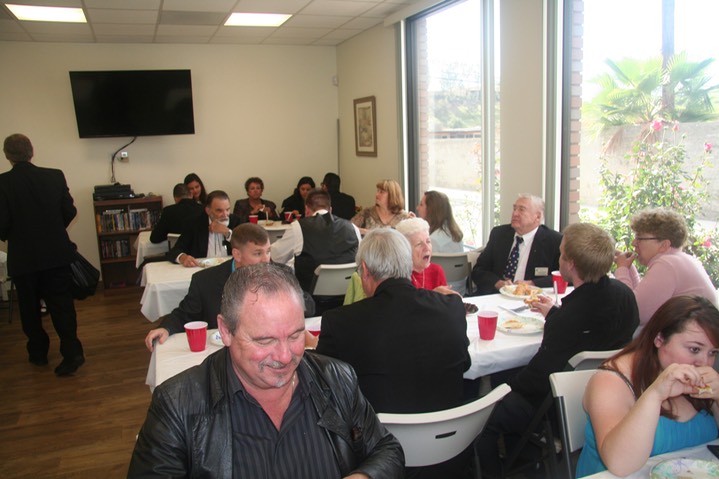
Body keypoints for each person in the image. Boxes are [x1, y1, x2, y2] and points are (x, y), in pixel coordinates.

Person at [129, 263, 404, 478]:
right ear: (225, 331)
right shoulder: (177, 404)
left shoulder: (336, 378)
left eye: (296, 335)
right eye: (265, 340)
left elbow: (387, 450)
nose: (286, 356)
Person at [477, 222, 640, 477]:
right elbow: (591, 338)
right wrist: (554, 313)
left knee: (482, 414)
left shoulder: (570, 317)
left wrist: (504, 386)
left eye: (562, 254)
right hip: (611, 395)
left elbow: (537, 378)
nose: (559, 258)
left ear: (571, 264)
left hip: (555, 407)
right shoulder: (625, 295)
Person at [315, 227, 470, 478]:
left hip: (379, 457)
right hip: (450, 452)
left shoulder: (341, 322)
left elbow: (326, 391)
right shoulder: (451, 308)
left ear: (365, 270)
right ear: (408, 265)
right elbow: (463, 365)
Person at [577, 295, 719, 477]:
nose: (705, 363)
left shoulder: (699, 380)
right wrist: (655, 394)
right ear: (659, 338)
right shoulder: (610, 382)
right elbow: (620, 465)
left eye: (712, 352)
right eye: (694, 349)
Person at [0, 133, 84, 376]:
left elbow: (2, 224)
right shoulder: (54, 176)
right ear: (31, 151)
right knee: (62, 306)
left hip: (23, 258)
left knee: (29, 308)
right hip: (56, 254)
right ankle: (72, 353)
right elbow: (69, 211)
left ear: (7, 156)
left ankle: (37, 352)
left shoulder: (3, 183)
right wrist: (54, 231)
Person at [145, 224, 272, 351]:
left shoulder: (282, 277)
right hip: (222, 351)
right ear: (237, 254)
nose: (266, 259)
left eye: (268, 251)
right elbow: (185, 314)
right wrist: (166, 328)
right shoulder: (206, 281)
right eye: (258, 253)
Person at [614, 207, 717, 328]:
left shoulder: (667, 264)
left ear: (664, 245)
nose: (633, 243)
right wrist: (629, 268)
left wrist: (622, 269)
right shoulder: (677, 259)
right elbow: (642, 299)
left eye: (640, 238)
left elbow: (634, 313)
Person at [271, 189, 361, 292]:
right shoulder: (353, 228)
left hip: (309, 299)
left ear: (306, 210)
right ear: (330, 210)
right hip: (346, 297)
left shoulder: (299, 227)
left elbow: (276, 256)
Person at [471, 194, 562, 295]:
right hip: (495, 296)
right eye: (514, 209)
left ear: (538, 216)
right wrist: (498, 283)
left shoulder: (554, 241)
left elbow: (564, 276)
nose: (515, 213)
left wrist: (532, 283)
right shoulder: (499, 234)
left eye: (521, 210)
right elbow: (478, 271)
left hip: (531, 299)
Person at [167, 190, 241, 267]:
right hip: (201, 269)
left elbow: (247, 247)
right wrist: (183, 258)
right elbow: (174, 251)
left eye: (227, 209)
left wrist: (227, 233)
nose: (225, 215)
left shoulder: (236, 221)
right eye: (219, 210)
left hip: (230, 268)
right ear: (208, 210)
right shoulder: (193, 224)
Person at [395, 217, 456, 295]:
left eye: (428, 241)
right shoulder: (398, 276)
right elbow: (405, 305)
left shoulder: (436, 271)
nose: (426, 248)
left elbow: (443, 305)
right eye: (419, 244)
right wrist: (433, 295)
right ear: (404, 249)